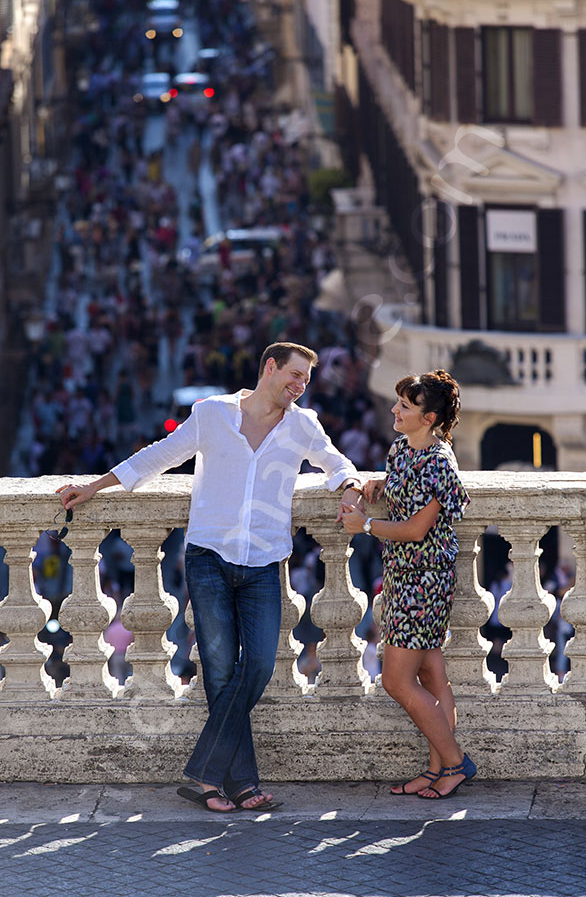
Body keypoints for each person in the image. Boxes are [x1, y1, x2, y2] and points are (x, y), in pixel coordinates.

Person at [56, 342, 362, 813]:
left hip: (263, 562)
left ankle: (204, 773)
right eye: (294, 375)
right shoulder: (213, 414)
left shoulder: (303, 424)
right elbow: (157, 456)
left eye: (306, 379)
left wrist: (353, 488)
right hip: (208, 558)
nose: (299, 386)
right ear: (269, 367)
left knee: (258, 664)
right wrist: (93, 486)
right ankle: (238, 784)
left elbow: (336, 463)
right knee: (218, 670)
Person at [340, 369, 474, 800]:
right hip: (402, 575)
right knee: (432, 672)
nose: (395, 410)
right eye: (398, 402)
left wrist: (366, 525)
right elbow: (398, 489)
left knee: (397, 681)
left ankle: (455, 762)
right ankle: (437, 770)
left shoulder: (439, 461)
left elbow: (417, 529)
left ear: (430, 417)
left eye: (405, 406)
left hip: (427, 578)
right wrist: (377, 484)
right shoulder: (402, 448)